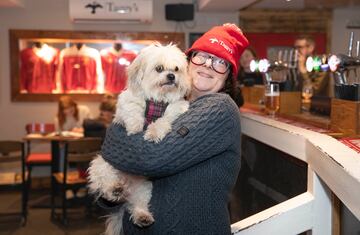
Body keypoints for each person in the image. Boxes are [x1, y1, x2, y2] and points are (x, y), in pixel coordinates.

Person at [97, 23, 249, 235]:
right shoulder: (170, 102)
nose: (208, 66)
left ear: (228, 75)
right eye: (202, 57)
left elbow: (153, 157)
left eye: (220, 62)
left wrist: (112, 139)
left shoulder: (219, 108)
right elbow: (130, 165)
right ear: (188, 61)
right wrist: (114, 193)